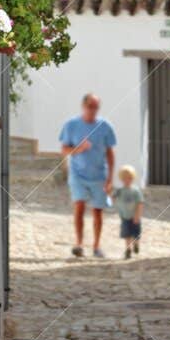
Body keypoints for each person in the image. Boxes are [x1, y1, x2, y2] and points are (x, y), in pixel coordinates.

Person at [59, 93, 116, 259]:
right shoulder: (71, 125)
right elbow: (64, 150)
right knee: (79, 206)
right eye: (90, 106)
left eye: (96, 107)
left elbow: (110, 152)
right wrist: (79, 149)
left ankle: (97, 246)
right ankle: (79, 244)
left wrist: (110, 178)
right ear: (83, 106)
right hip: (78, 174)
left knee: (98, 210)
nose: (93, 110)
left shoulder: (105, 126)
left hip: (99, 174)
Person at [115, 166, 144, 258]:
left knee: (136, 234)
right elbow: (113, 199)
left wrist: (137, 215)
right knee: (127, 234)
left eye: (129, 178)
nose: (127, 180)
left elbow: (140, 203)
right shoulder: (119, 191)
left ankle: (136, 244)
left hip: (134, 216)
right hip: (125, 216)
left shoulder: (135, 191)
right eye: (125, 178)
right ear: (122, 179)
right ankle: (128, 250)